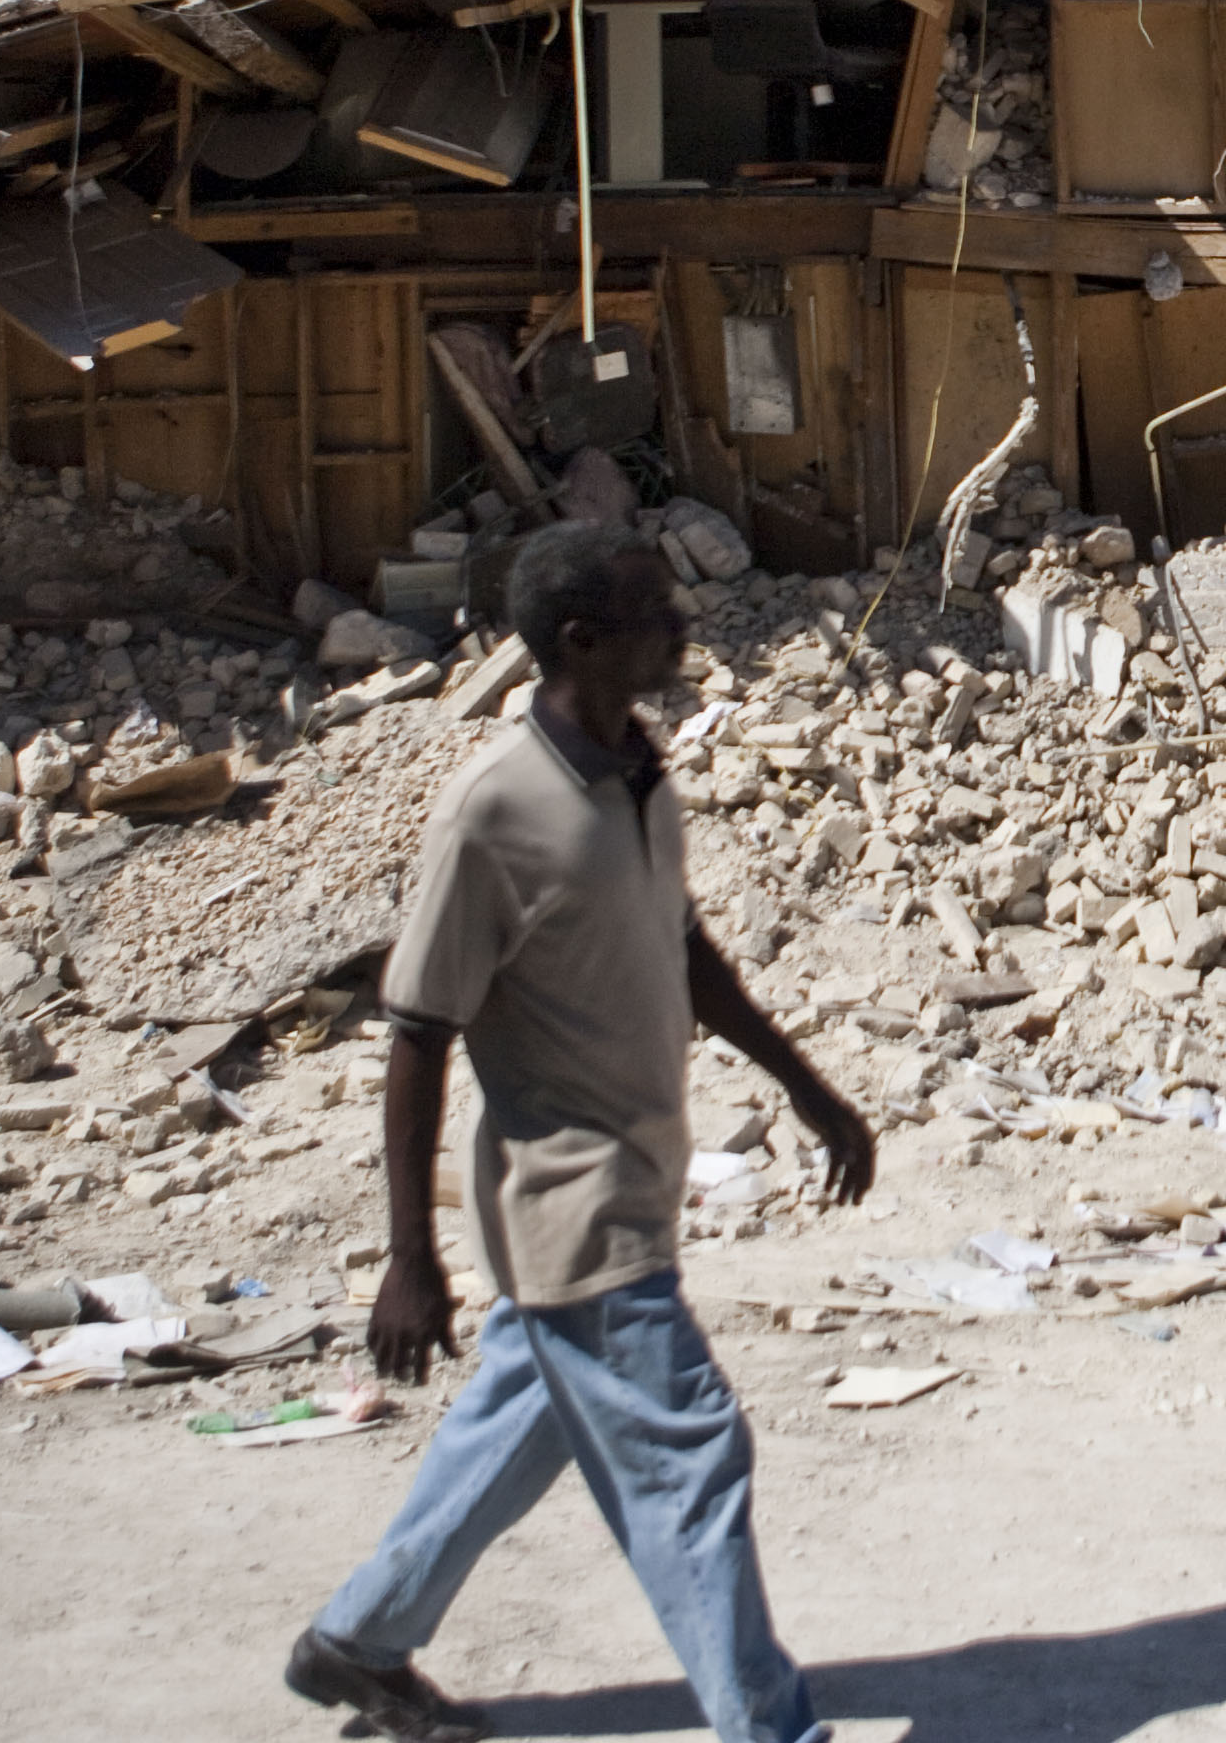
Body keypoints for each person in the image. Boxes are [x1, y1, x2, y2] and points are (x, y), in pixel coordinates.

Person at [288, 522, 875, 1743]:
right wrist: (410, 1253)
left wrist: (808, 1087)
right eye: (657, 610)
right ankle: (774, 1731)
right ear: (581, 639)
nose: (684, 623)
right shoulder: (492, 813)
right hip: (572, 1204)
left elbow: (683, 949)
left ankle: (359, 1638)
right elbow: (416, 1030)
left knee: (523, 1419)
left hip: (635, 1180)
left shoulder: (637, 767)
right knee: (693, 1454)